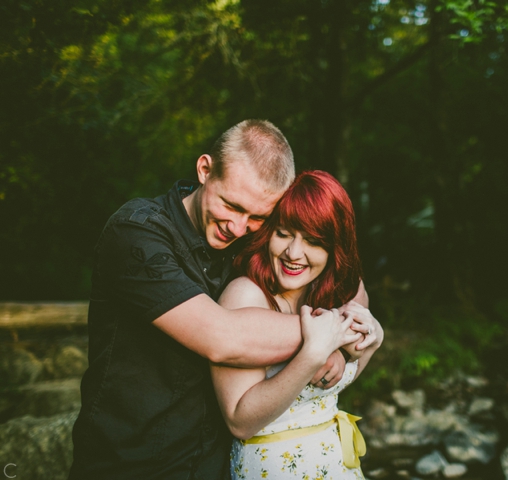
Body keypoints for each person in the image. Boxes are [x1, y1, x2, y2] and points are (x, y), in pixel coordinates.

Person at [69, 120, 382, 480]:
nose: (238, 226)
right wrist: (329, 335)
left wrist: (341, 344)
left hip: (210, 467)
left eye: (258, 217)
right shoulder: (137, 233)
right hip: (132, 465)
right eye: (231, 206)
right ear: (204, 170)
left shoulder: (250, 239)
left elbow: (344, 278)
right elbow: (223, 338)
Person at [211, 170, 383, 480]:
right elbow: (240, 421)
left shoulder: (344, 290)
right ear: (268, 232)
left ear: (335, 248)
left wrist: (369, 343)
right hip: (271, 468)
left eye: (314, 241)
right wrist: (311, 355)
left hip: (337, 463)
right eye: (284, 232)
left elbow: (336, 380)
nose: (293, 253)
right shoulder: (247, 295)